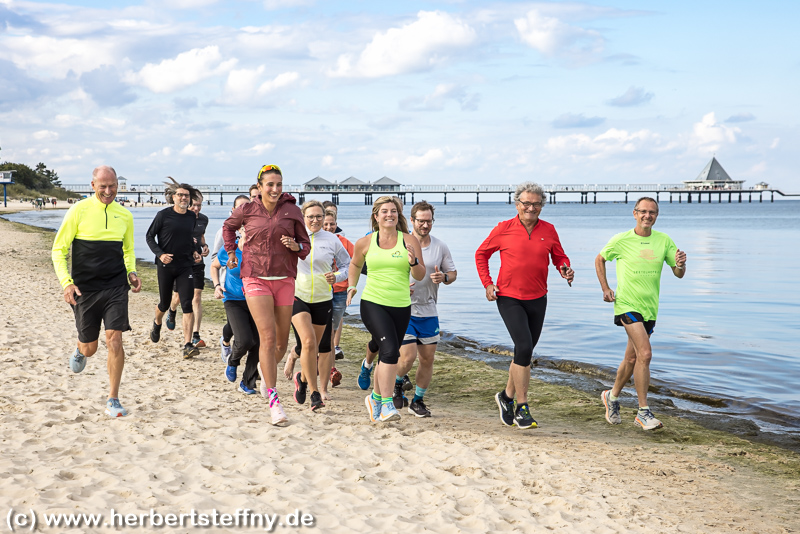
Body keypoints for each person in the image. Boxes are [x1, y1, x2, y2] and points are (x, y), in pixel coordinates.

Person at [475, 181, 574, 429]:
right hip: (508, 296)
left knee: (524, 353)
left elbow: (559, 256)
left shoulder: (549, 230)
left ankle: (505, 397)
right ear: (517, 204)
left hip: (538, 298)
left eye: (536, 204)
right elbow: (481, 254)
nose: (531, 208)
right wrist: (488, 283)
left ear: (542, 206)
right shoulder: (503, 229)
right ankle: (522, 406)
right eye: (526, 203)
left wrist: (564, 268)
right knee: (524, 346)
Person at [222, 164, 310, 426]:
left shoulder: (293, 211)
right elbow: (228, 227)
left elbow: (305, 245)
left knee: (281, 344)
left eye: (279, 184)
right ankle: (274, 402)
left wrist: (297, 246)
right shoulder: (247, 210)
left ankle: (264, 368)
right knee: (268, 338)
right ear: (259, 187)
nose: (274, 189)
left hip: (284, 280)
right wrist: (231, 253)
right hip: (255, 277)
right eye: (269, 184)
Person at [51, 165, 142, 417]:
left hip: (115, 286)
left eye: (112, 186)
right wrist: (66, 283)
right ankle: (81, 349)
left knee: (114, 338)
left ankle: (113, 398)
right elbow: (58, 250)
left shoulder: (125, 215)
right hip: (85, 290)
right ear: (93, 186)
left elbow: (128, 250)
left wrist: (131, 271)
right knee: (90, 348)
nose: (108, 190)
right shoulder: (78, 211)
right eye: (102, 186)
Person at [595, 197, 687, 431]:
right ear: (634, 213)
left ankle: (612, 397)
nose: (648, 216)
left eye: (652, 212)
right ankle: (643, 412)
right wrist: (605, 288)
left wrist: (681, 264)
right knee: (645, 354)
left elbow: (678, 274)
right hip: (627, 304)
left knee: (632, 358)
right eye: (643, 212)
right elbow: (600, 258)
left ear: (657, 215)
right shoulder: (622, 240)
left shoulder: (664, 240)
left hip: (649, 308)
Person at [347, 196, 426, 423]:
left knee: (386, 354)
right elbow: (354, 264)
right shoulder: (365, 242)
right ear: (376, 216)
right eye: (384, 211)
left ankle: (375, 398)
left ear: (398, 215)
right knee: (391, 350)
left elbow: (419, 275)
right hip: (373, 302)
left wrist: (413, 262)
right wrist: (352, 286)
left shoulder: (409, 240)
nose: (389, 214)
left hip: (401, 305)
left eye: (393, 211)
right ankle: (387, 403)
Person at [283, 201, 350, 410]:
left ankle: (302, 379)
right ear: (303, 217)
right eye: (310, 216)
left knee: (317, 348)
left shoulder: (332, 240)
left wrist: (337, 275)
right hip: (297, 296)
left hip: (323, 299)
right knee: (309, 343)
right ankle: (314, 394)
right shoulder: (293, 237)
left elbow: (348, 264)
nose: (315, 220)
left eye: (319, 216)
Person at [392, 201, 457, 417]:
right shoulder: (399, 243)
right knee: (407, 358)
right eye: (421, 221)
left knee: (427, 359)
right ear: (412, 220)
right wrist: (399, 286)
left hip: (429, 309)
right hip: (404, 308)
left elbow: (453, 274)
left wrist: (444, 277)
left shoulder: (440, 246)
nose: (425, 225)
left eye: (429, 221)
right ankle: (397, 382)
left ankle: (418, 401)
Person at [146, 177, 202, 359]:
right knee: (164, 302)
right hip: (166, 265)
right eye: (180, 195)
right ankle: (157, 322)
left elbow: (189, 239)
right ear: (173, 197)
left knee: (187, 304)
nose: (184, 198)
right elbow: (149, 236)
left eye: (186, 196)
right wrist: (160, 254)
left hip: (185, 266)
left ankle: (187, 345)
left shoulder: (191, 217)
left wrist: (195, 251)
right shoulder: (163, 215)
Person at [210, 226, 260, 395]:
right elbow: (214, 266)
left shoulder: (261, 251)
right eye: (248, 228)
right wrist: (217, 286)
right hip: (233, 299)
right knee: (245, 340)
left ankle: (247, 382)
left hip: (257, 300)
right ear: (241, 229)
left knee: (258, 343)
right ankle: (233, 362)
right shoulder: (229, 250)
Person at [165, 191, 209, 347]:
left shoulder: (203, 219)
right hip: (183, 263)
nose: (196, 208)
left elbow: (202, 236)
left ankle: (196, 334)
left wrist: (204, 246)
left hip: (198, 263)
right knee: (177, 297)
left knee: (196, 296)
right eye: (194, 205)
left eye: (199, 205)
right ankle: (171, 310)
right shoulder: (180, 219)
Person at [212, 195, 250, 362]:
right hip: (231, 290)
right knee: (235, 325)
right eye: (240, 207)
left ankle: (251, 365)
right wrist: (218, 285)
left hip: (252, 293)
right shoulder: (225, 232)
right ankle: (226, 342)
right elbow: (216, 259)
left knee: (245, 328)